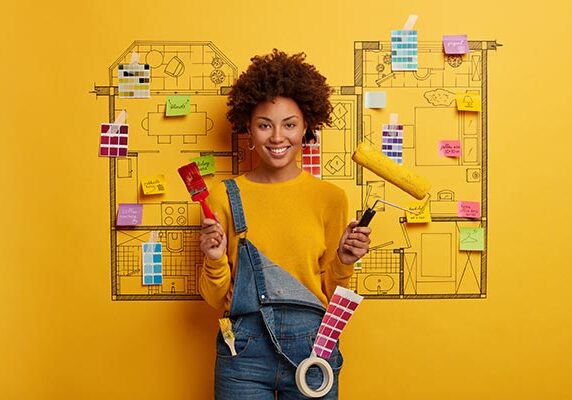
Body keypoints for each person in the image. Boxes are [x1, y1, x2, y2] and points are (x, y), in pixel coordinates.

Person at [199, 49, 371, 399]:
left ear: (307, 126)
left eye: (289, 124)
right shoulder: (222, 197)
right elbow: (216, 297)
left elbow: (331, 291)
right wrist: (215, 257)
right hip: (242, 355)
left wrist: (345, 261)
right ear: (248, 126)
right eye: (265, 125)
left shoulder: (330, 198)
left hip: (314, 349)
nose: (277, 137)